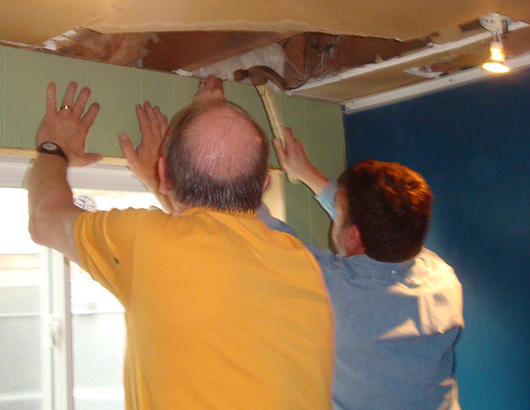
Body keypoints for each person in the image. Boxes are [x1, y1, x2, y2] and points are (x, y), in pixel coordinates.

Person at [27, 80, 334, 409]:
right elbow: (212, 240)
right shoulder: (301, 261)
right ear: (263, 185)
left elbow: (45, 218)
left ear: (164, 173)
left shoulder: (149, 243)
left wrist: (53, 148)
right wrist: (161, 181)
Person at [272, 130, 464, 409]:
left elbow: (258, 230)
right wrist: (308, 173)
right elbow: (383, 221)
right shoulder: (442, 279)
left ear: (353, 236)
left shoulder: (328, 286)